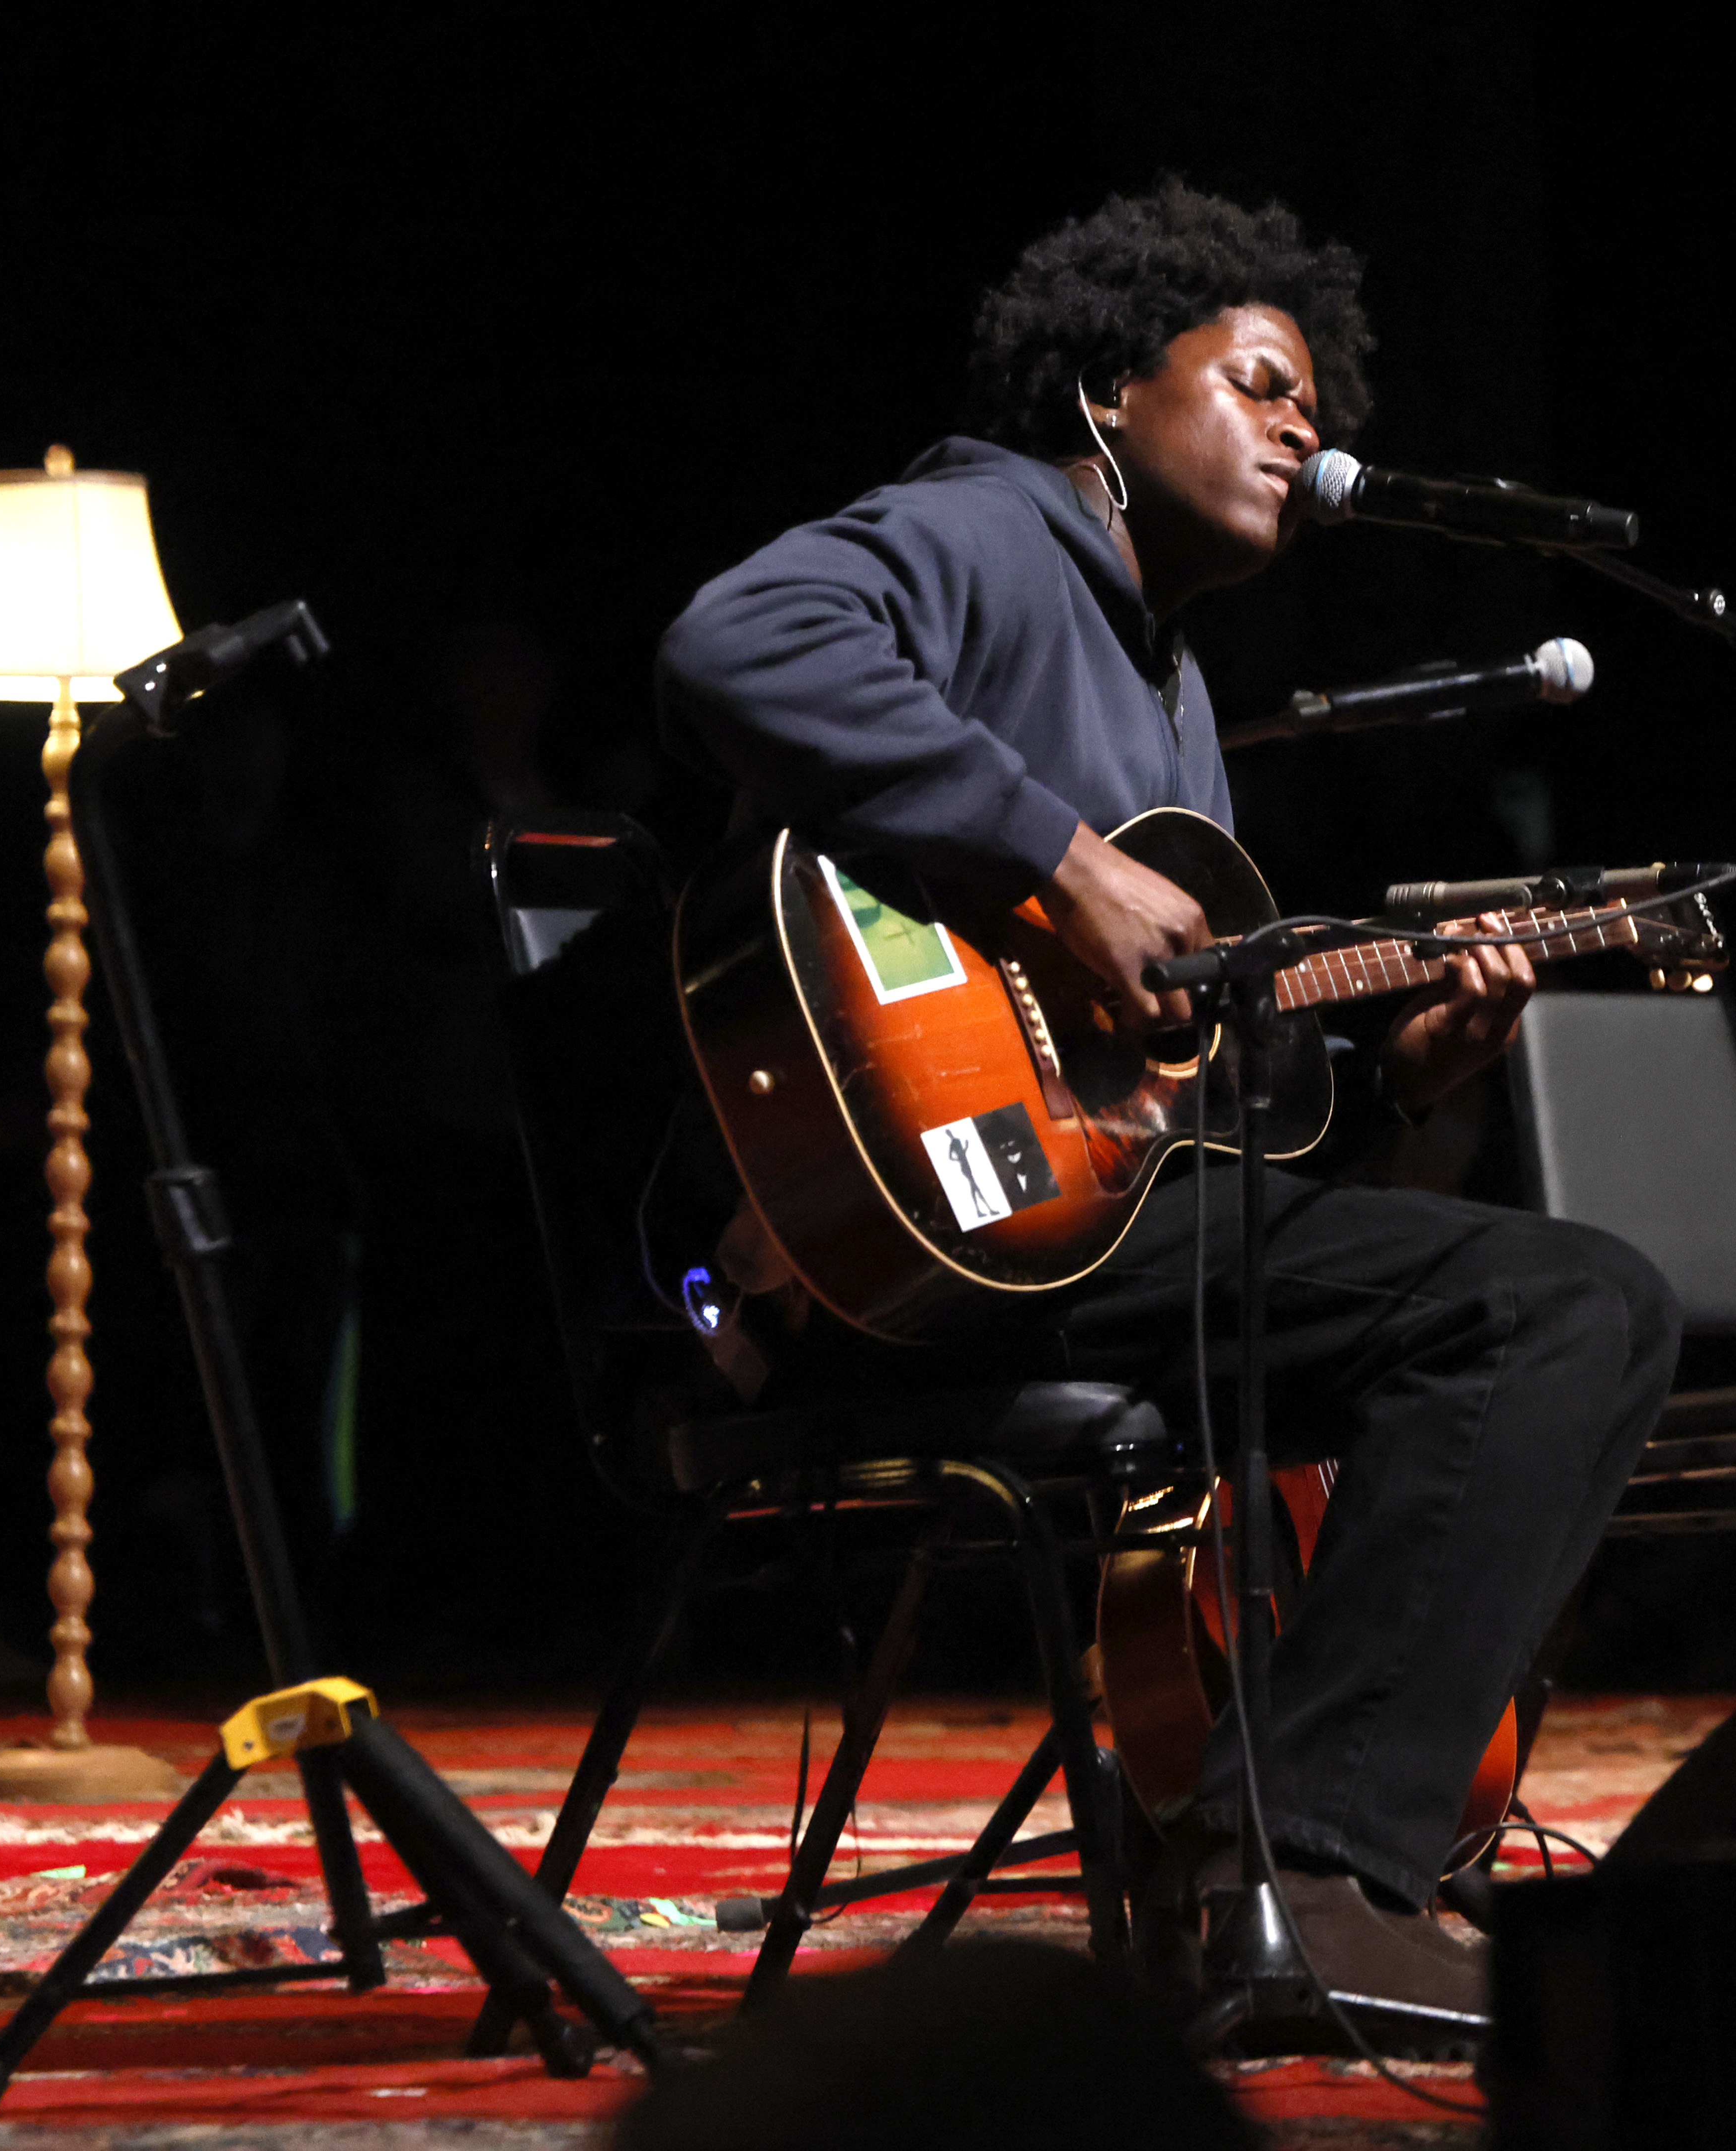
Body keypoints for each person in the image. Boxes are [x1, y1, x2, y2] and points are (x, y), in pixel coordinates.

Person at [654, 182, 1679, 2029]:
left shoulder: (1168, 675)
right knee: (1566, 1302)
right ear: (1109, 393)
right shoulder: (986, 524)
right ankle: (1308, 1864)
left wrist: (1391, 1079)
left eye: (1315, 404)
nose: (1301, 430)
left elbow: (1183, 1112)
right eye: (1261, 383)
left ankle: (1285, 1836)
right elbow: (741, 639)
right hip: (941, 1232)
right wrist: (1058, 858)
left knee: (1544, 1297)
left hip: (1080, 1227)